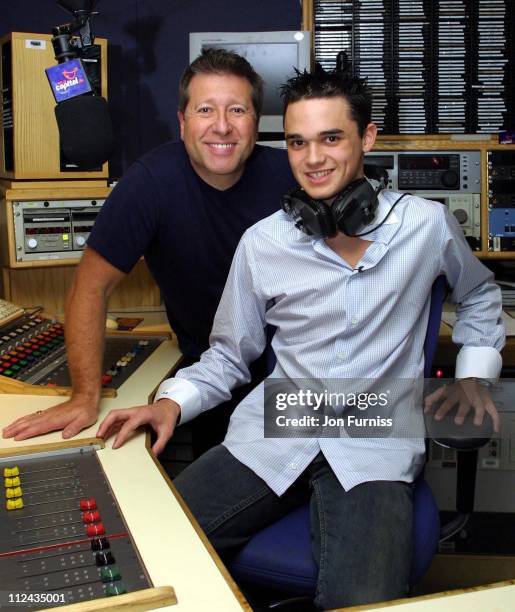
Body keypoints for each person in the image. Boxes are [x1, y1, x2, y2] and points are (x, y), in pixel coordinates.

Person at [94, 68, 504, 608]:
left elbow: (478, 295)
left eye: (331, 138)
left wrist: (474, 376)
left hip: (376, 433)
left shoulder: (425, 227)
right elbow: (229, 353)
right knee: (140, 552)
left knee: (359, 599)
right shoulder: (263, 244)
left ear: (368, 137)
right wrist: (171, 403)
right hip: (280, 421)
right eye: (297, 142)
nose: (313, 159)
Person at [2, 49, 294, 447]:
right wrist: (84, 398)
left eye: (237, 111)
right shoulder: (149, 184)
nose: (222, 126)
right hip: (212, 375)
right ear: (183, 122)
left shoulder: (292, 176)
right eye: (206, 110)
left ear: (256, 122)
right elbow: (91, 287)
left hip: (297, 372)